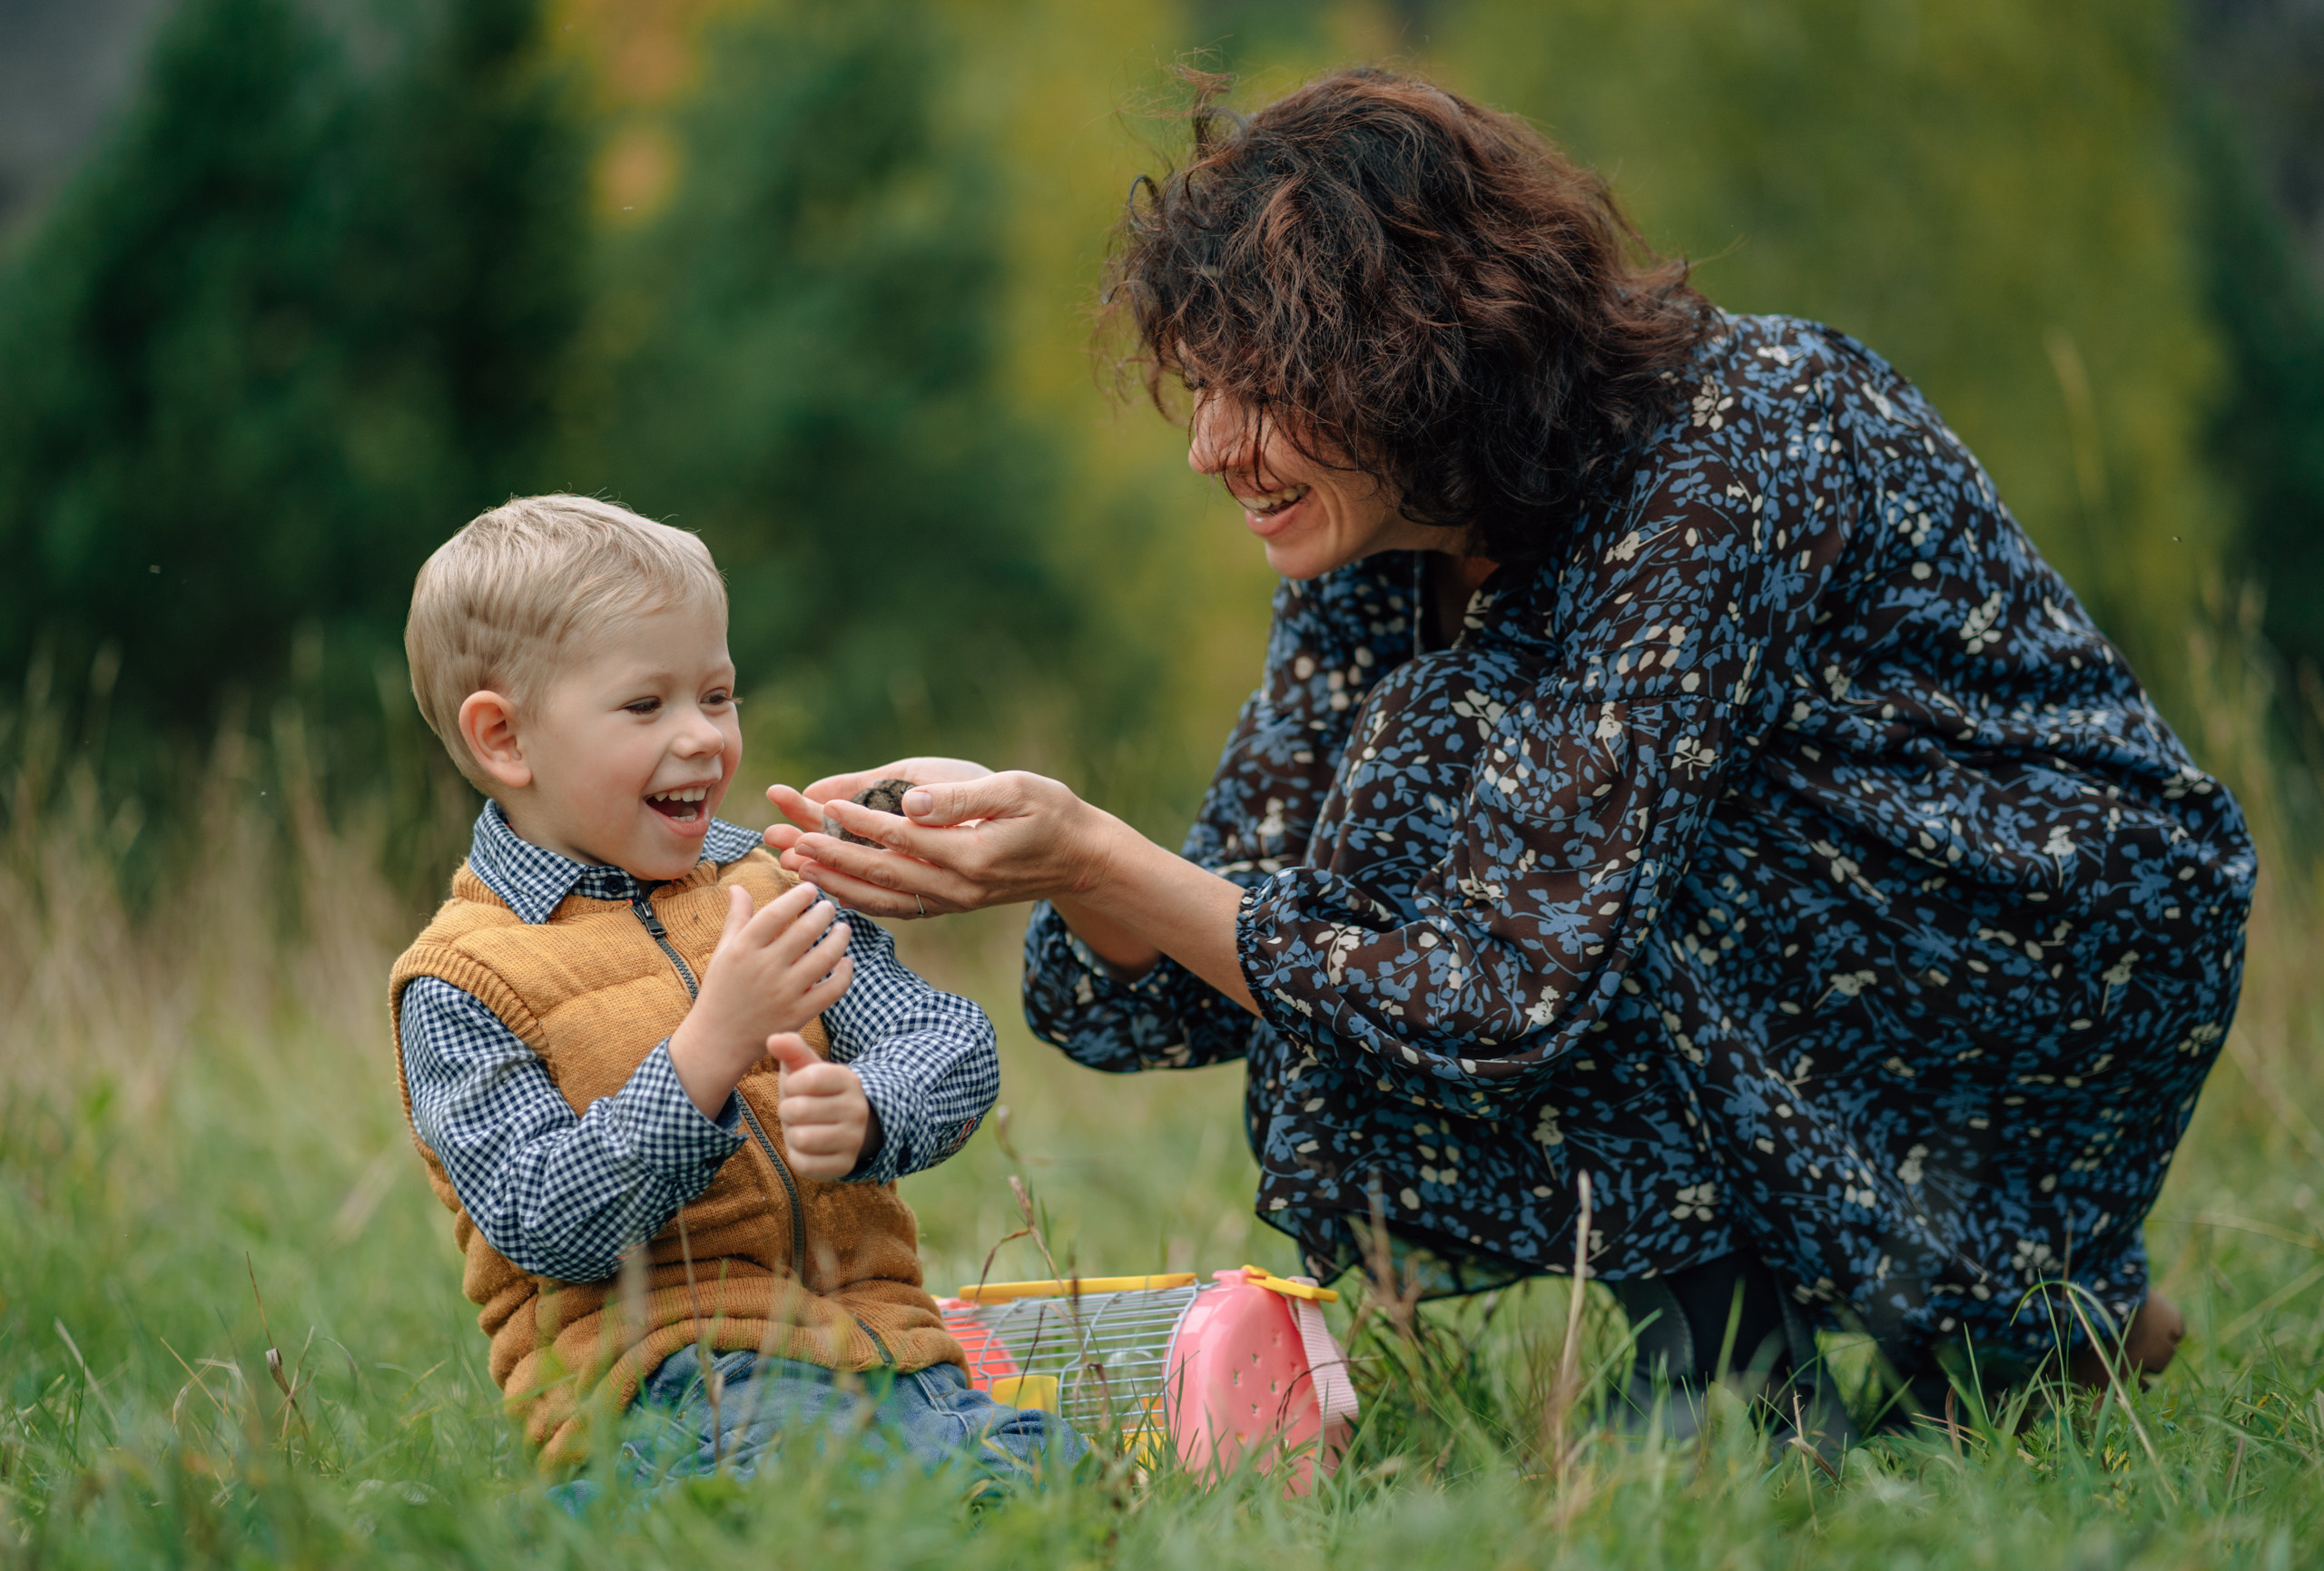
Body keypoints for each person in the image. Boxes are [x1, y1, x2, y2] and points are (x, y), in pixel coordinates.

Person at [762, 70, 2257, 1439]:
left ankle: (1777, 1358)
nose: (1210, 445)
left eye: (1255, 386)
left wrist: (1099, 852)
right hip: (1822, 928)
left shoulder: (1733, 447)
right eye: (1196, 388)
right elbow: (1202, 968)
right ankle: (2012, 1321)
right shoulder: (1379, 544)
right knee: (1422, 840)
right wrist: (1056, 860)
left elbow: (1505, 993)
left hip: (2051, 930)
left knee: (1483, 803)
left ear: (1418, 353)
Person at [389, 494, 1082, 1486]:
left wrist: (873, 1106)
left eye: (717, 695)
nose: (703, 737)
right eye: (646, 705)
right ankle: (610, 1518)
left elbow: (945, 1038)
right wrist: (707, 1054)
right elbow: (543, 1217)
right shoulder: (466, 977)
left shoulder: (771, 883)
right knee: (826, 1476)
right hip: (671, 1380)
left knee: (1048, 1468)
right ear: (506, 738)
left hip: (881, 1342)